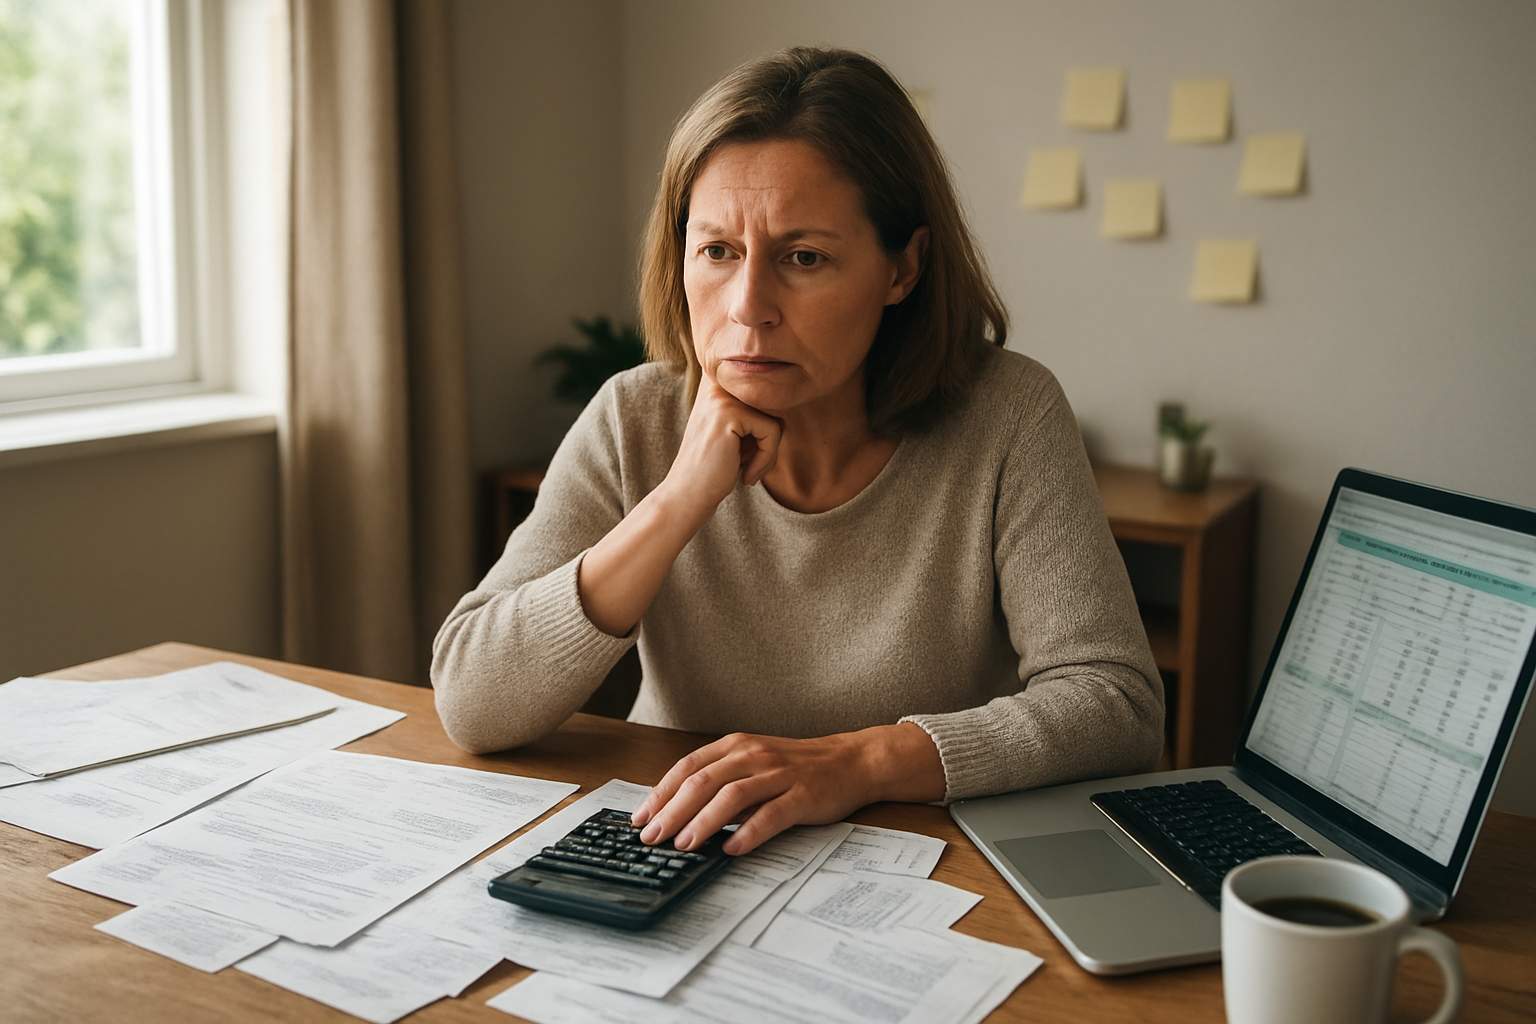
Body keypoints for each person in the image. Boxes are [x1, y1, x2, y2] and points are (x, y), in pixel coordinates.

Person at [432, 47, 1162, 857]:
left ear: (903, 267)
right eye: (717, 252)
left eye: (803, 257)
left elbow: (1115, 703)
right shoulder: (631, 416)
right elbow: (471, 702)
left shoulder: (1009, 414)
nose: (748, 308)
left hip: (918, 864)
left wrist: (862, 760)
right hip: (678, 841)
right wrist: (678, 500)